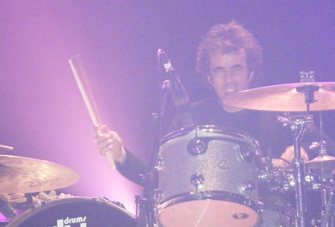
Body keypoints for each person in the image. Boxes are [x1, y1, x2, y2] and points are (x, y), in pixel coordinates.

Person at [94, 21, 308, 185]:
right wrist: (121, 155)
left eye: (236, 68)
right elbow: (160, 178)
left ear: (250, 73)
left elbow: (330, 154)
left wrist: (300, 155)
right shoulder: (191, 119)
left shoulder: (278, 115)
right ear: (208, 78)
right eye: (219, 70)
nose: (229, 79)